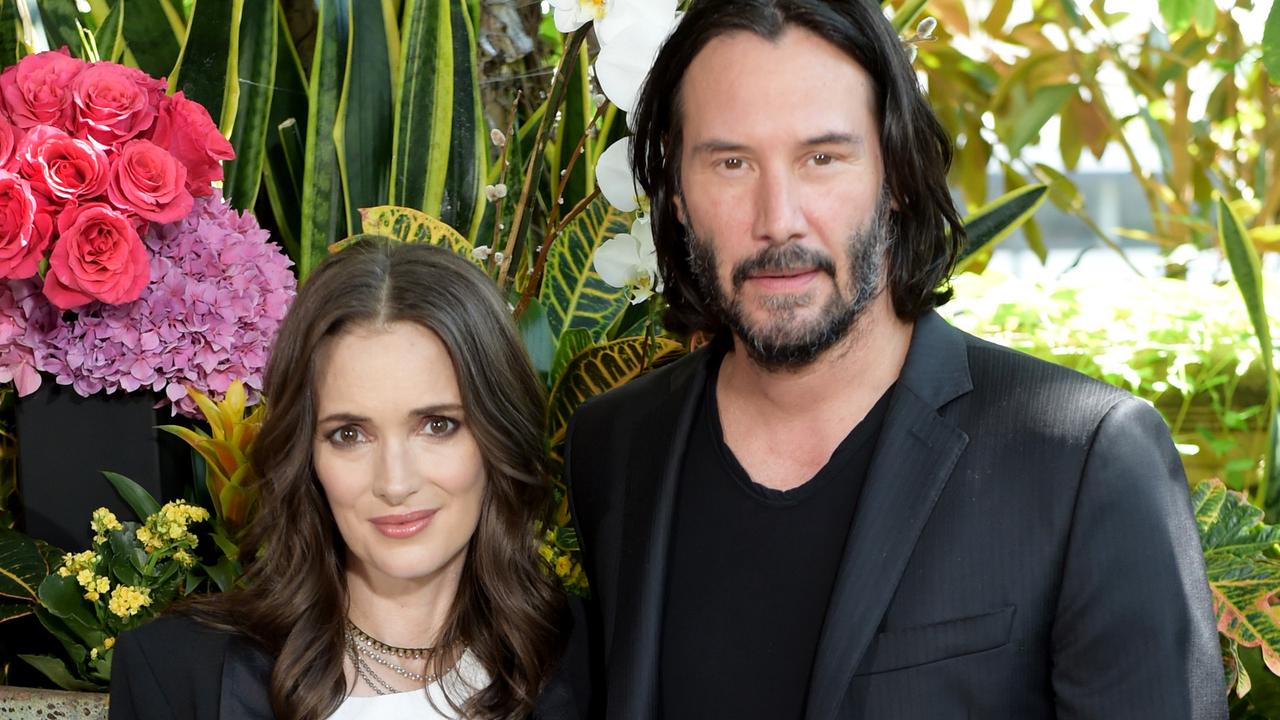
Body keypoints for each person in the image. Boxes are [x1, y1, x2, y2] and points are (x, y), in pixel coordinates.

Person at [563, 1, 1226, 718]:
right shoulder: (614, 447)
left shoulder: (1083, 459)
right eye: (731, 162)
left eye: (822, 157)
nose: (777, 216)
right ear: (678, 191)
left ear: (897, 177)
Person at [110, 238, 575, 720]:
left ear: (498, 435)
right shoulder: (173, 673)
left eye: (438, 425)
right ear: (304, 453)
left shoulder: (593, 662)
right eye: (349, 434)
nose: (395, 484)